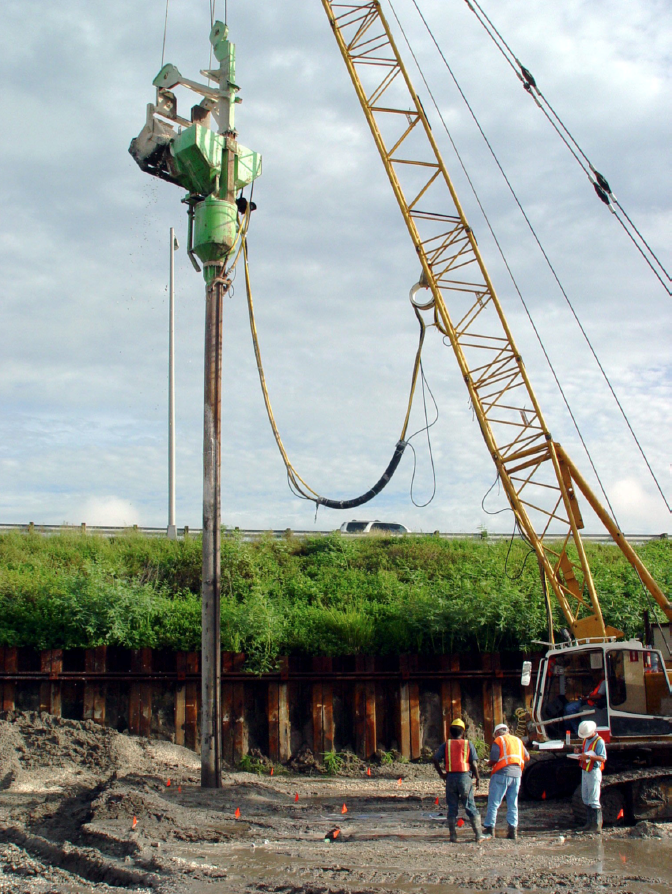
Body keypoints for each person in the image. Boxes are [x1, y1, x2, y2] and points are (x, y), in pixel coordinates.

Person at [432, 718, 483, 842]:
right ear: (463, 732)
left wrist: (441, 774)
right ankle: (478, 835)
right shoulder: (467, 744)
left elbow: (435, 759)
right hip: (464, 777)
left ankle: (453, 835)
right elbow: (474, 764)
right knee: (470, 805)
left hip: (450, 778)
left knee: (452, 807)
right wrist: (477, 778)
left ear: (450, 732)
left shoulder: (446, 745)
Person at [483, 722, 529, 840]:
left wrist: (488, 764)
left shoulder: (499, 741)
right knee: (513, 803)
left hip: (501, 774)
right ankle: (513, 831)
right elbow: (527, 757)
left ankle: (489, 828)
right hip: (517, 775)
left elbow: (493, 759)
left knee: (494, 803)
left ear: (497, 733)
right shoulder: (518, 741)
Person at [575, 719, 606, 833]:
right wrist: (579, 751)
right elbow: (586, 751)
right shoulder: (586, 740)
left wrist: (588, 757)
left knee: (594, 799)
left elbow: (602, 758)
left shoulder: (599, 741)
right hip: (585, 770)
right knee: (586, 798)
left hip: (593, 771)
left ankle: (596, 826)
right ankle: (589, 824)